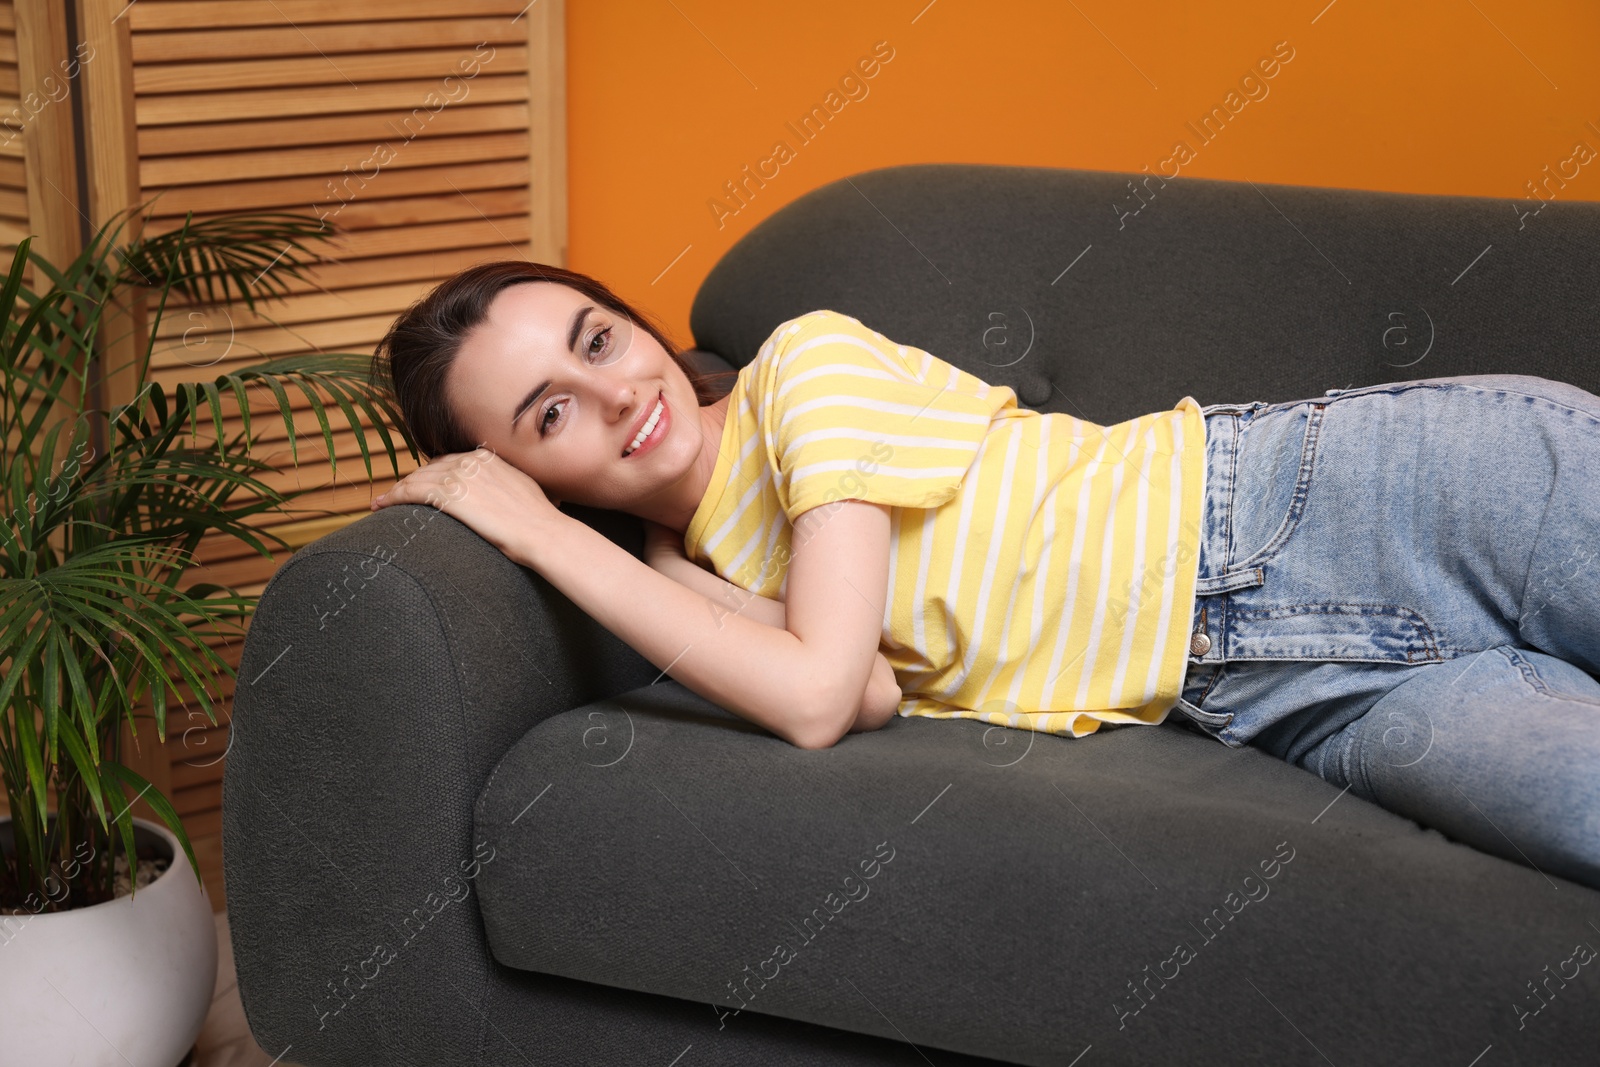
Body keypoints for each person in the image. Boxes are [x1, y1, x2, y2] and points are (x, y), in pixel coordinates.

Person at [369, 260, 1600, 892]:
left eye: (598, 339)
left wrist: (546, 534)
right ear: (534, 470)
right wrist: (586, 551)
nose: (619, 392)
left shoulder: (803, 372)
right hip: (1275, 691)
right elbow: (862, 700)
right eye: (549, 416)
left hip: (1357, 499)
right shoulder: (686, 563)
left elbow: (809, 687)